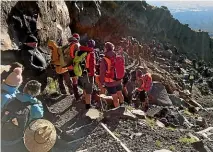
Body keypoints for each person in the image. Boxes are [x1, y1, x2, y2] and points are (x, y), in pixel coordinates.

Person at [100, 42, 124, 108]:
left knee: (115, 98)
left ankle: (117, 111)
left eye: (104, 47)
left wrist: (102, 82)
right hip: (118, 79)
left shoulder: (104, 59)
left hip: (110, 82)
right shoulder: (117, 55)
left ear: (106, 48)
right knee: (120, 94)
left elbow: (102, 72)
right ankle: (122, 107)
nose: (104, 49)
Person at [79, 39, 96, 109]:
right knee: (89, 90)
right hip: (89, 73)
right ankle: (88, 106)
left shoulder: (81, 50)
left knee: (84, 87)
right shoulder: (91, 53)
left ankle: (83, 99)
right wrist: (92, 74)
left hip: (82, 71)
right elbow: (92, 65)